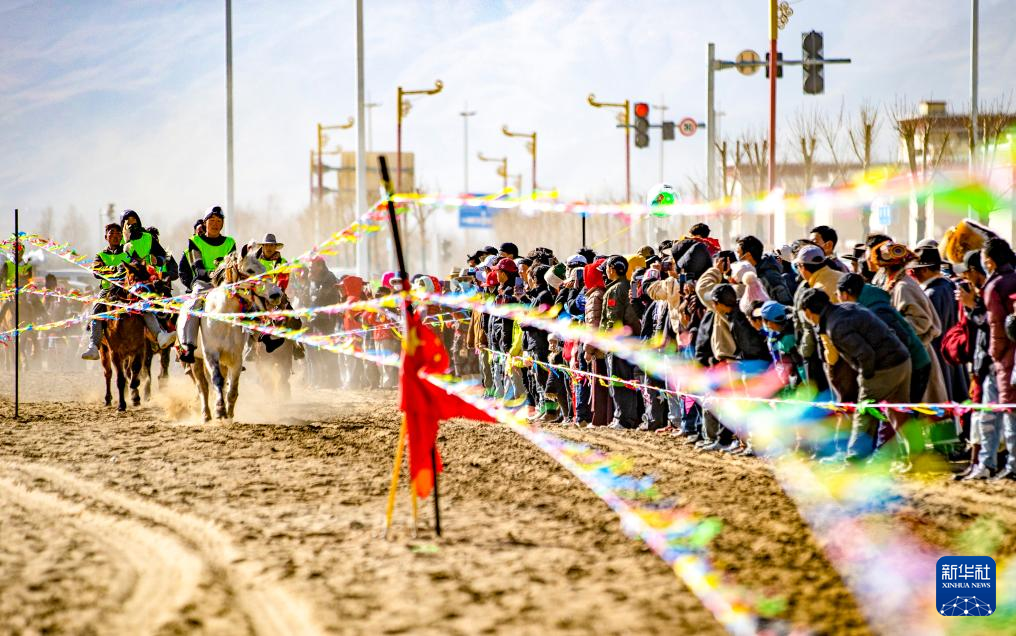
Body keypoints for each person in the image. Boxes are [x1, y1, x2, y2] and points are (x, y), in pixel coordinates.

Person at [801, 288, 912, 463]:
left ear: (807, 312)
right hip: (902, 359)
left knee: (863, 414)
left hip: (883, 367)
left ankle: (854, 460)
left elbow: (865, 354)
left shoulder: (835, 326)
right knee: (900, 414)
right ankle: (915, 457)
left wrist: (865, 378)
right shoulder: (848, 307)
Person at [81, 223, 175, 360]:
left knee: (144, 307)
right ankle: (94, 346)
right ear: (106, 237)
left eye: (118, 233)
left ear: (122, 236)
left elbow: (138, 264)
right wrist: (114, 269)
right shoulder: (100, 255)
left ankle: (160, 335)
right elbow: (97, 271)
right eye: (111, 233)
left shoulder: (128, 250)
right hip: (108, 290)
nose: (115, 236)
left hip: (129, 288)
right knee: (97, 312)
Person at [978, 237, 1016, 480]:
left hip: (1005, 358)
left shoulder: (994, 286)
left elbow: (996, 327)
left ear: (990, 262)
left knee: (1008, 410)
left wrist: (994, 354)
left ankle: (1010, 465)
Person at [178, 206, 236, 363]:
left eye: (219, 221)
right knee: (194, 304)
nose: (216, 224)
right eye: (212, 220)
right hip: (203, 283)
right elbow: (197, 266)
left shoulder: (230, 242)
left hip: (224, 284)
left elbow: (231, 264)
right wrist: (212, 274)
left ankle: (245, 346)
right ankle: (189, 346)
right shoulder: (195, 241)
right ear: (205, 223)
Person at [599, 256, 642, 429]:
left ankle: (623, 418)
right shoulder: (629, 286)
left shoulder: (615, 289)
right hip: (633, 339)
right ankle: (625, 417)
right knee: (628, 380)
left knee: (619, 380)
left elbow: (612, 318)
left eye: (607, 268)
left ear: (612, 269)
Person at [735, 235, 793, 304]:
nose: (737, 257)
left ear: (748, 255)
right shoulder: (753, 273)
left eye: (738, 253)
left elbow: (784, 303)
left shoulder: (770, 276)